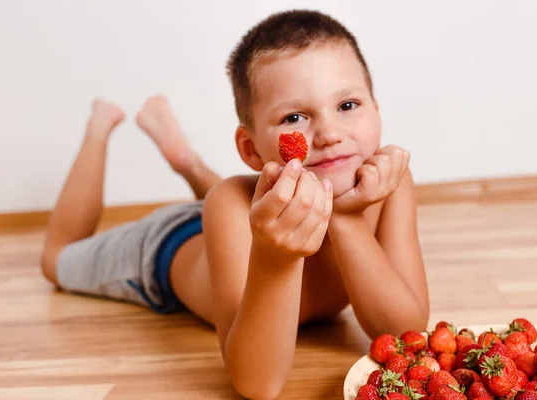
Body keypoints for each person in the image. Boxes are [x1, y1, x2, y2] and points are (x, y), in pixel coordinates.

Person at [40, 9, 430, 399]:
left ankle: (186, 162)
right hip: (168, 245)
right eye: (295, 116)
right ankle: (98, 129)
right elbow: (258, 384)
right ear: (250, 149)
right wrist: (275, 255)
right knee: (56, 261)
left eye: (347, 105)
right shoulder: (229, 203)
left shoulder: (391, 183)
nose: (329, 134)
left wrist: (345, 219)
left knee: (260, 201)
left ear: (377, 111)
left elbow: (405, 336)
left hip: (256, 213)